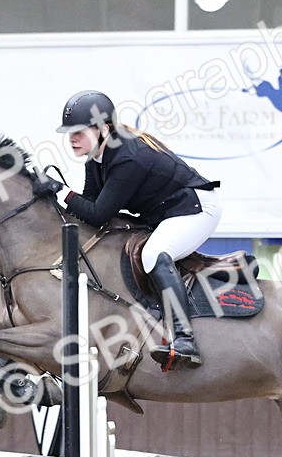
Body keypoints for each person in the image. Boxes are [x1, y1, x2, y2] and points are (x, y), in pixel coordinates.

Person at [50, 90, 221, 370]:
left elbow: (98, 214)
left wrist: (60, 191)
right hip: (167, 212)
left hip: (197, 209)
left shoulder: (128, 157)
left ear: (104, 129)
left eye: (79, 131)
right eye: (69, 132)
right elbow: (91, 208)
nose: (72, 138)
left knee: (154, 254)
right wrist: (58, 196)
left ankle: (184, 339)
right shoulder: (97, 157)